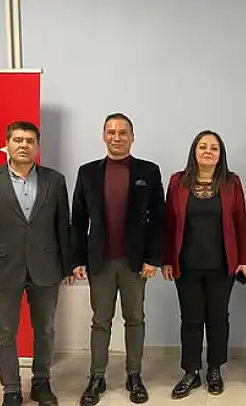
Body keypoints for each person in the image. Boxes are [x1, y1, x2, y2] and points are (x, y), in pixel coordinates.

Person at [0, 121, 73, 406]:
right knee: (5, 332)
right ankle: (11, 388)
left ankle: (41, 382)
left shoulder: (55, 180)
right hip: (4, 269)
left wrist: (67, 266)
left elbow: (63, 227)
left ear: (37, 146)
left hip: (46, 267)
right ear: (7, 144)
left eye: (29, 141)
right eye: (18, 140)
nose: (24, 145)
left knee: (46, 330)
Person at [71, 113, 165, 405]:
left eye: (123, 132)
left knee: (135, 319)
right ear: (103, 136)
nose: (116, 137)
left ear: (132, 138)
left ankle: (134, 375)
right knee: (100, 321)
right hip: (99, 261)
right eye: (111, 132)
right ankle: (96, 377)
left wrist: (153, 259)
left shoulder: (148, 171)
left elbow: (159, 218)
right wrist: (77, 259)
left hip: (134, 263)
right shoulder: (87, 172)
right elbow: (78, 220)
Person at [162, 130, 246, 399]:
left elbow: (241, 223)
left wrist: (245, 260)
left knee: (218, 318)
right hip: (186, 265)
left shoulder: (231, 182)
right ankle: (191, 372)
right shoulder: (178, 182)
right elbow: (169, 224)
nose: (208, 152)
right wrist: (166, 259)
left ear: (220, 154)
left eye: (214, 148)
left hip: (222, 265)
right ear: (194, 151)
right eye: (203, 147)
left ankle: (214, 369)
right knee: (190, 319)